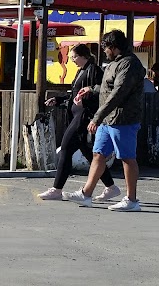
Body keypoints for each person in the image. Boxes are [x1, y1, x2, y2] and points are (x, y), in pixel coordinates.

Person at [65, 29, 146, 212]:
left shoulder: (129, 64)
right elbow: (108, 86)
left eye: (106, 47)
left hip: (123, 119)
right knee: (98, 154)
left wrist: (97, 117)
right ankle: (86, 194)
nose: (104, 51)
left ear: (114, 47)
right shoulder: (114, 63)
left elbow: (118, 93)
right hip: (108, 119)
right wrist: (92, 88)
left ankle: (131, 200)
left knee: (127, 157)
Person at [37, 44, 119, 201]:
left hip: (83, 117)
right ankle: (111, 187)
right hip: (76, 115)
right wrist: (59, 99)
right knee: (90, 155)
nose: (72, 60)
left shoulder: (93, 70)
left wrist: (85, 100)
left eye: (74, 57)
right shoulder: (81, 70)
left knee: (66, 148)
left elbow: (100, 92)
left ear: (84, 56)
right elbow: (74, 94)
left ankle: (56, 189)